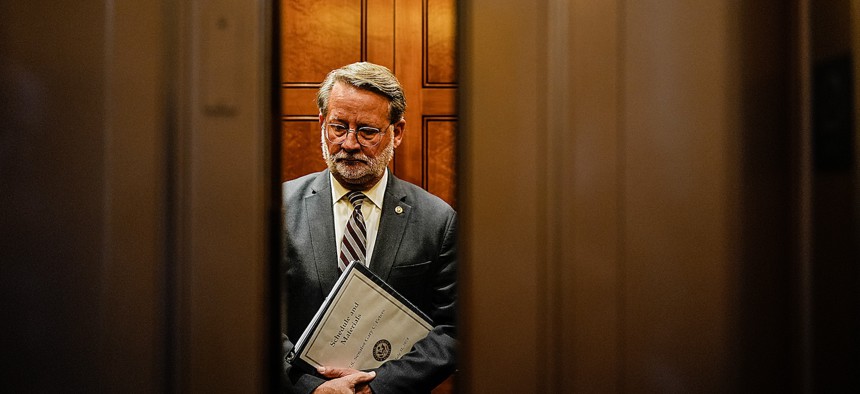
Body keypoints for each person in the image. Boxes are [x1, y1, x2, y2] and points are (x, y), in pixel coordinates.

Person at [282, 62, 457, 394]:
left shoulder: (437, 220)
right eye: (338, 127)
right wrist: (311, 388)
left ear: (397, 132)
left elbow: (451, 331)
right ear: (321, 124)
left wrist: (375, 388)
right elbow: (252, 319)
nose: (349, 144)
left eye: (367, 131)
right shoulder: (278, 210)